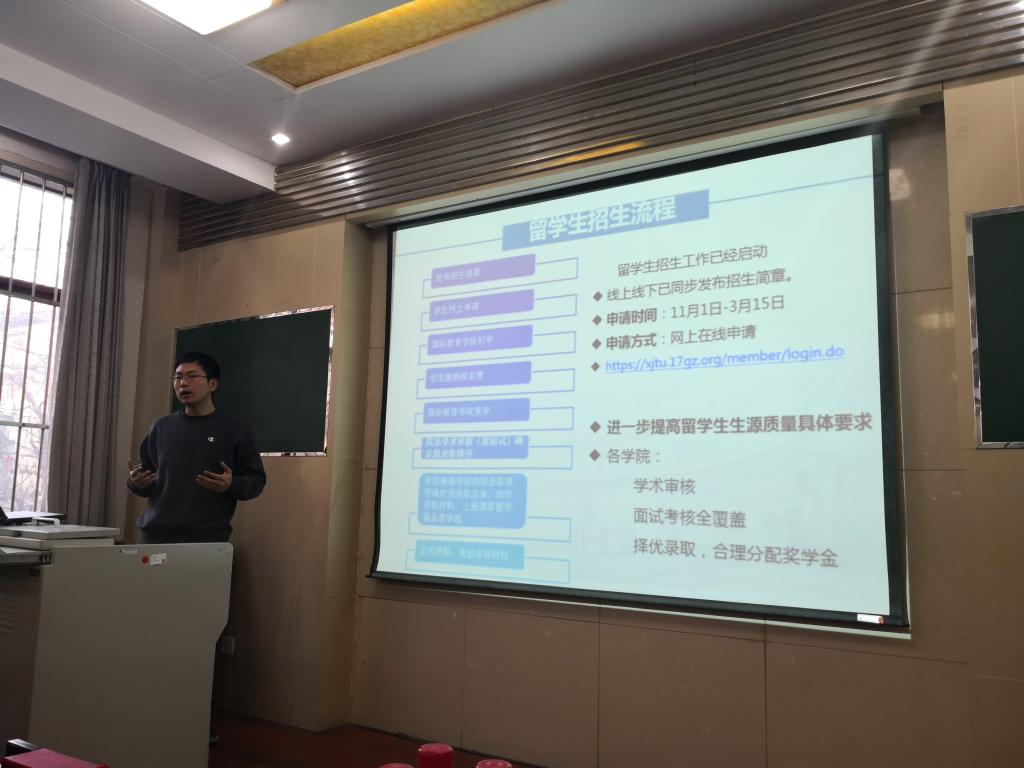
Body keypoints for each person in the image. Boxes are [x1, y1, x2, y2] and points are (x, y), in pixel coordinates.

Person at [128, 351, 266, 544]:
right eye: (178, 377)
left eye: (192, 376)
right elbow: (146, 481)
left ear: (213, 384)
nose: (183, 383)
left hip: (207, 538)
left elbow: (256, 481)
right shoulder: (161, 427)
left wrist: (231, 484)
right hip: (154, 536)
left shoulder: (234, 428)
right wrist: (136, 483)